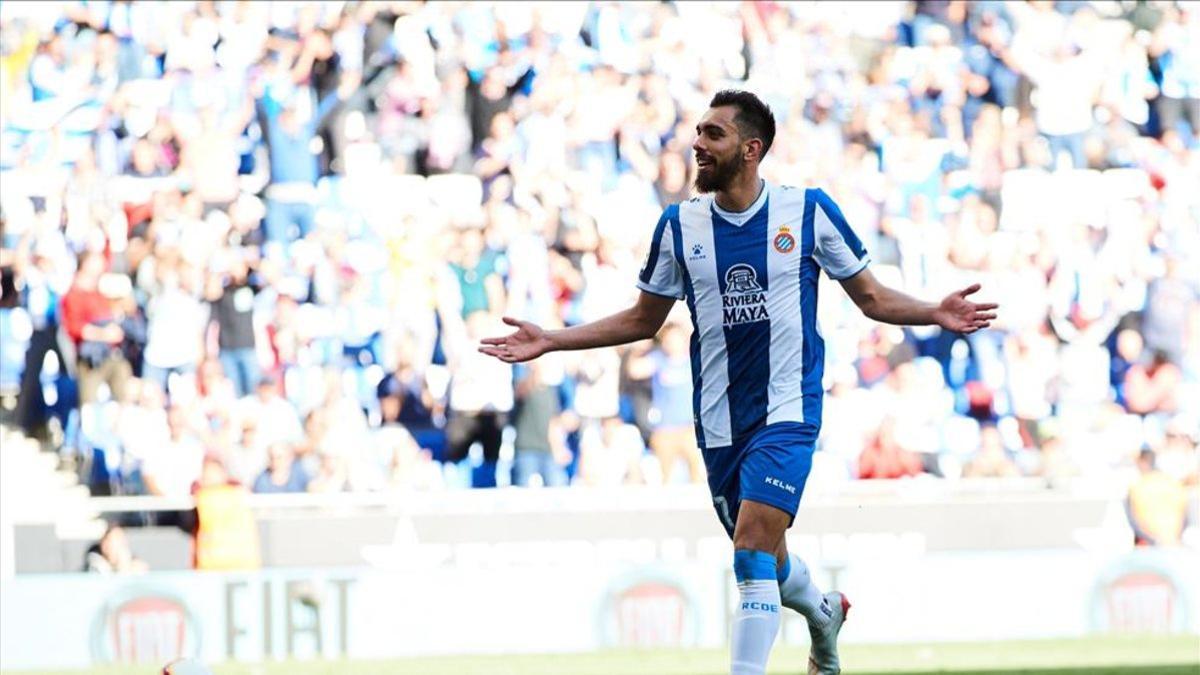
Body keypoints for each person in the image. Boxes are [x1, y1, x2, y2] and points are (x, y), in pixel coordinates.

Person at [480, 90, 997, 675]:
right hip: (719, 419)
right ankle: (823, 613)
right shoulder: (679, 224)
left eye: (713, 135)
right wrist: (552, 339)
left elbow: (872, 297)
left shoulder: (807, 212)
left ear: (751, 150)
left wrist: (935, 311)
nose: (698, 143)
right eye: (699, 131)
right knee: (765, 558)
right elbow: (643, 319)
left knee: (750, 545)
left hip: (787, 409)